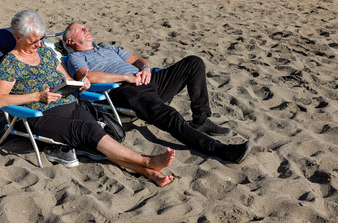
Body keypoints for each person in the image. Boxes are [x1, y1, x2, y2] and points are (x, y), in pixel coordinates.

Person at [0, 11, 175, 186]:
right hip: (40, 114)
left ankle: (150, 173)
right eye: (34, 41)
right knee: (88, 130)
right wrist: (37, 96)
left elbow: (68, 79)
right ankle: (148, 161)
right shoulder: (9, 63)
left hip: (70, 104)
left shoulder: (46, 53)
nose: (40, 44)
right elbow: (0, 100)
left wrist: (81, 83)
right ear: (18, 37)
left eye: (42, 39)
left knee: (98, 137)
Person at [63, 23, 253, 164]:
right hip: (126, 90)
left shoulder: (108, 48)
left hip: (147, 79)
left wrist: (145, 68)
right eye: (80, 30)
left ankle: (200, 119)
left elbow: (139, 59)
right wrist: (127, 77)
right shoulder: (75, 57)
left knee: (194, 63)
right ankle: (221, 150)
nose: (86, 30)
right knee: (170, 115)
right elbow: (87, 75)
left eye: (86, 27)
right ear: (70, 41)